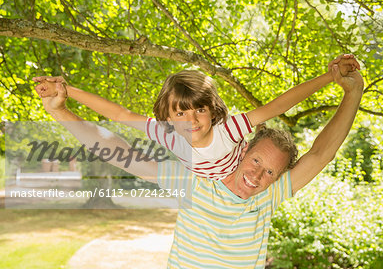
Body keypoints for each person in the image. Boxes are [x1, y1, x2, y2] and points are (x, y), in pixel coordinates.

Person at [37, 59, 364, 269]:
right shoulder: (191, 178)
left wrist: (351, 92)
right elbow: (114, 148)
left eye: (270, 172)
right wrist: (60, 109)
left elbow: (321, 153)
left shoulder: (269, 195)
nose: (256, 175)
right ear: (242, 149)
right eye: (255, 161)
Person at [33, 54, 360, 180]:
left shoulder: (229, 130)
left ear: (211, 111)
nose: (191, 119)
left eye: (199, 109)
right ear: (167, 115)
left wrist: (328, 78)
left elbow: (276, 107)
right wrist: (67, 90)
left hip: (232, 178)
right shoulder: (165, 133)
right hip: (197, 180)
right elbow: (119, 114)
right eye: (180, 112)